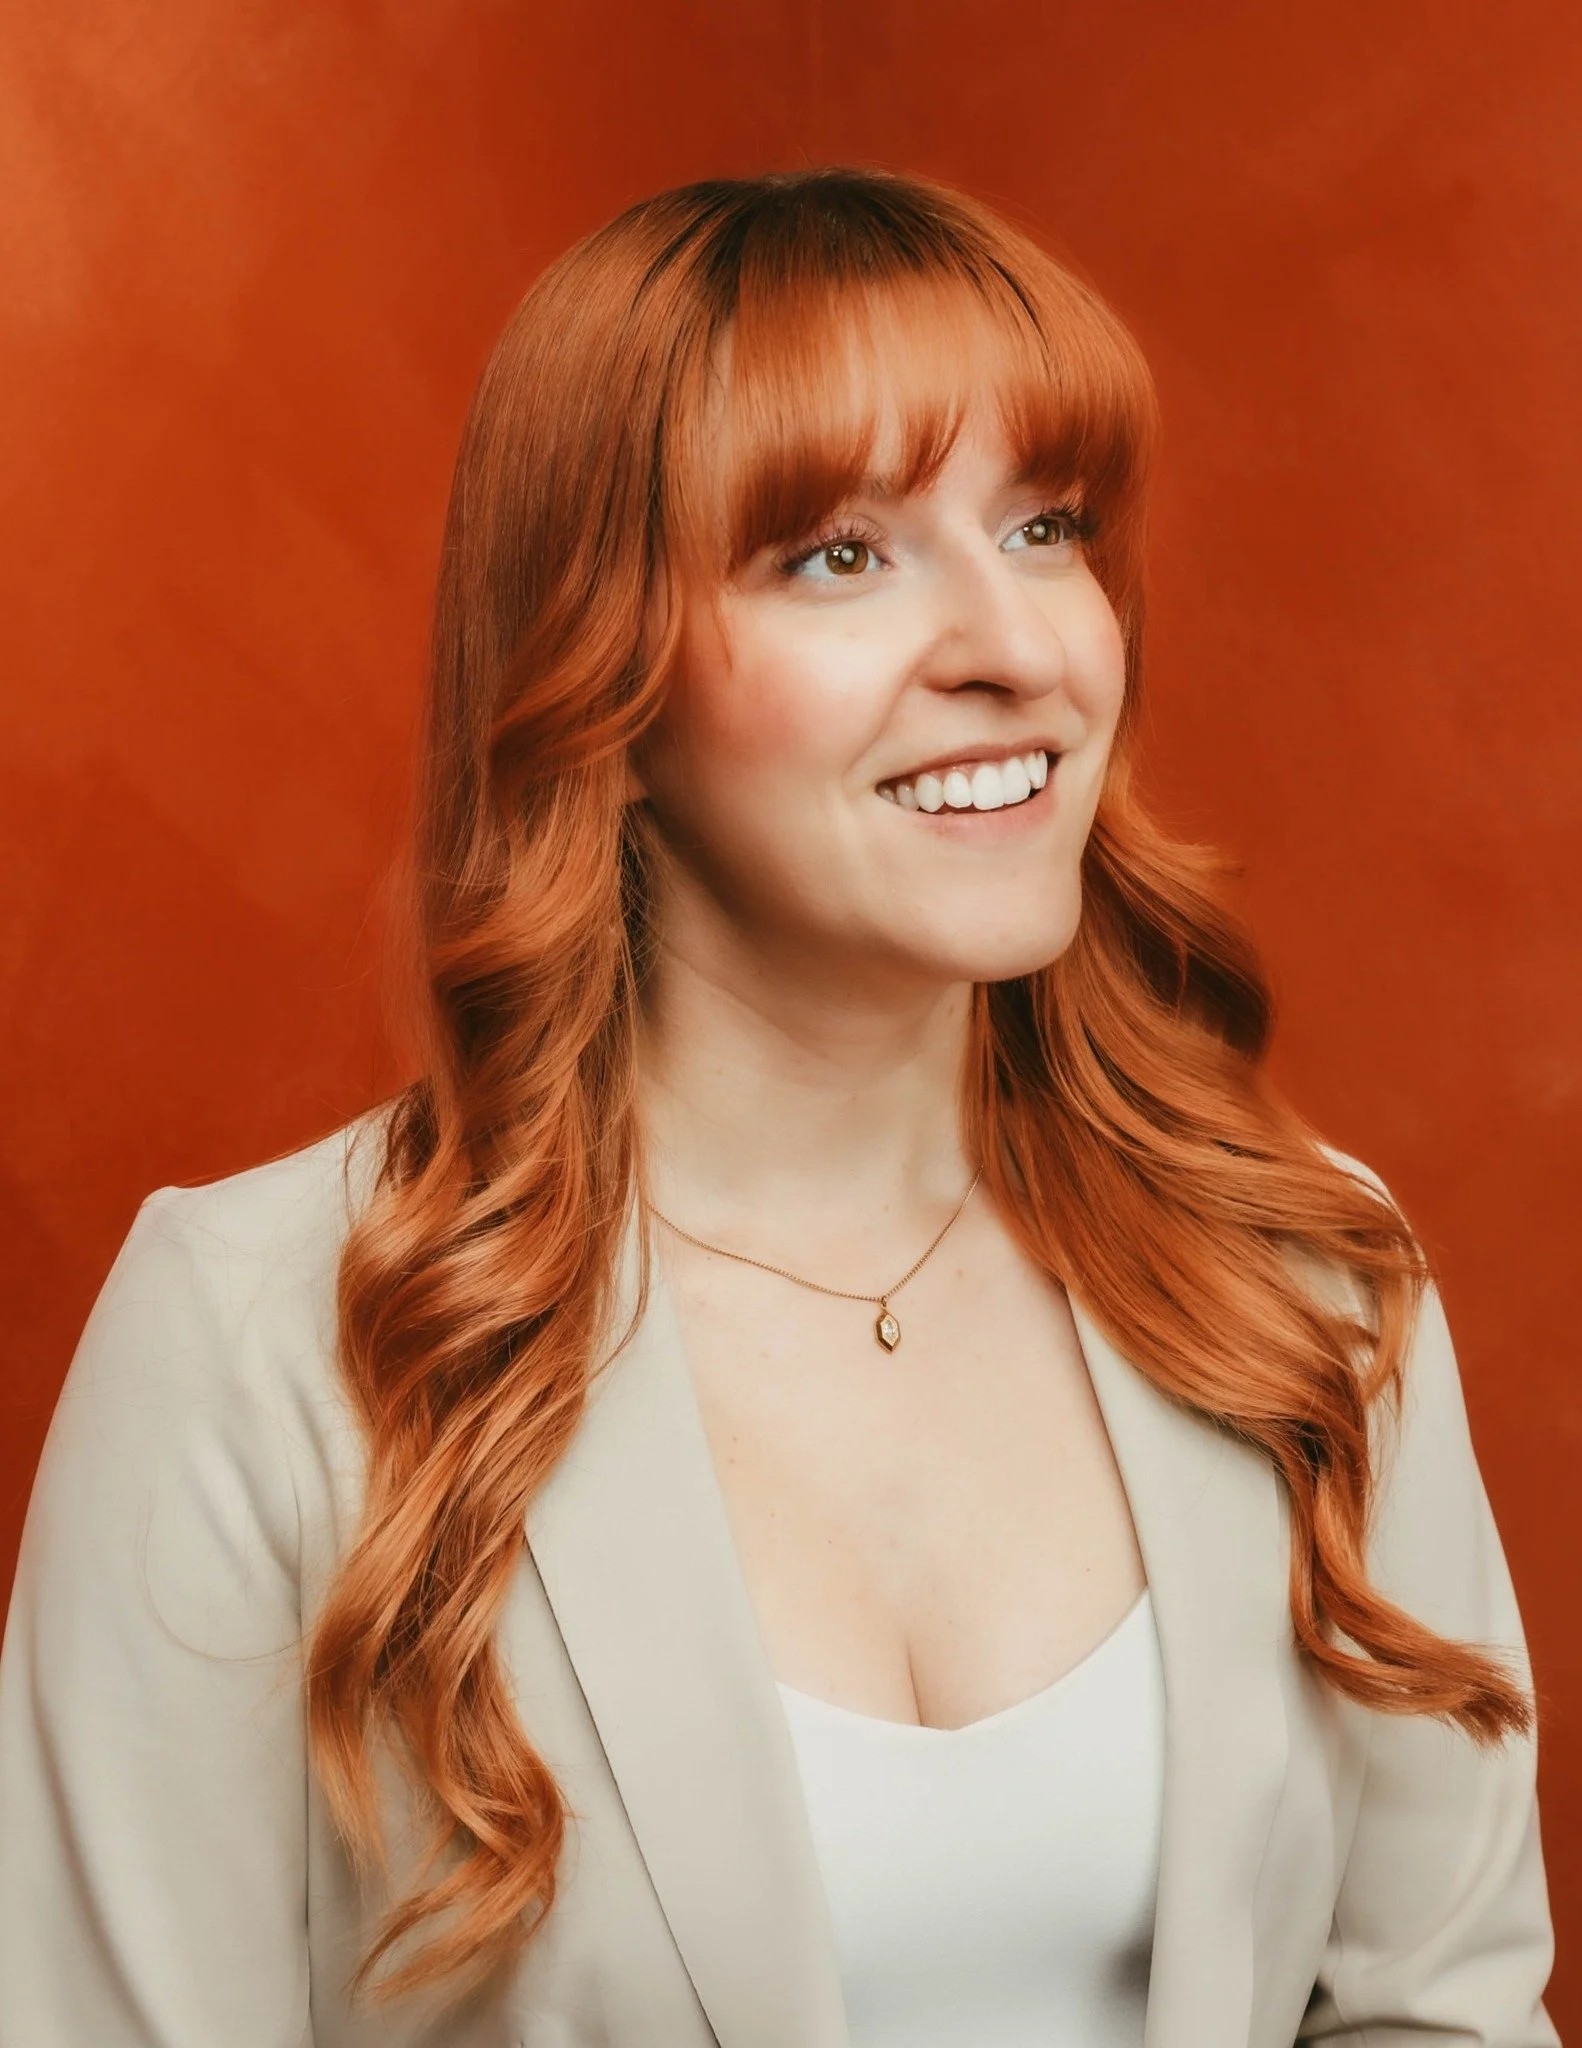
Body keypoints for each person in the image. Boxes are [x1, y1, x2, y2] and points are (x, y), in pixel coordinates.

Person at [0, 168, 1558, 2048]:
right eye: (838, 554)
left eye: (1045, 525)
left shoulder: (1305, 1276)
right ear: (603, 678)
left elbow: (1440, 2013)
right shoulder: (260, 1339)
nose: (1015, 647)